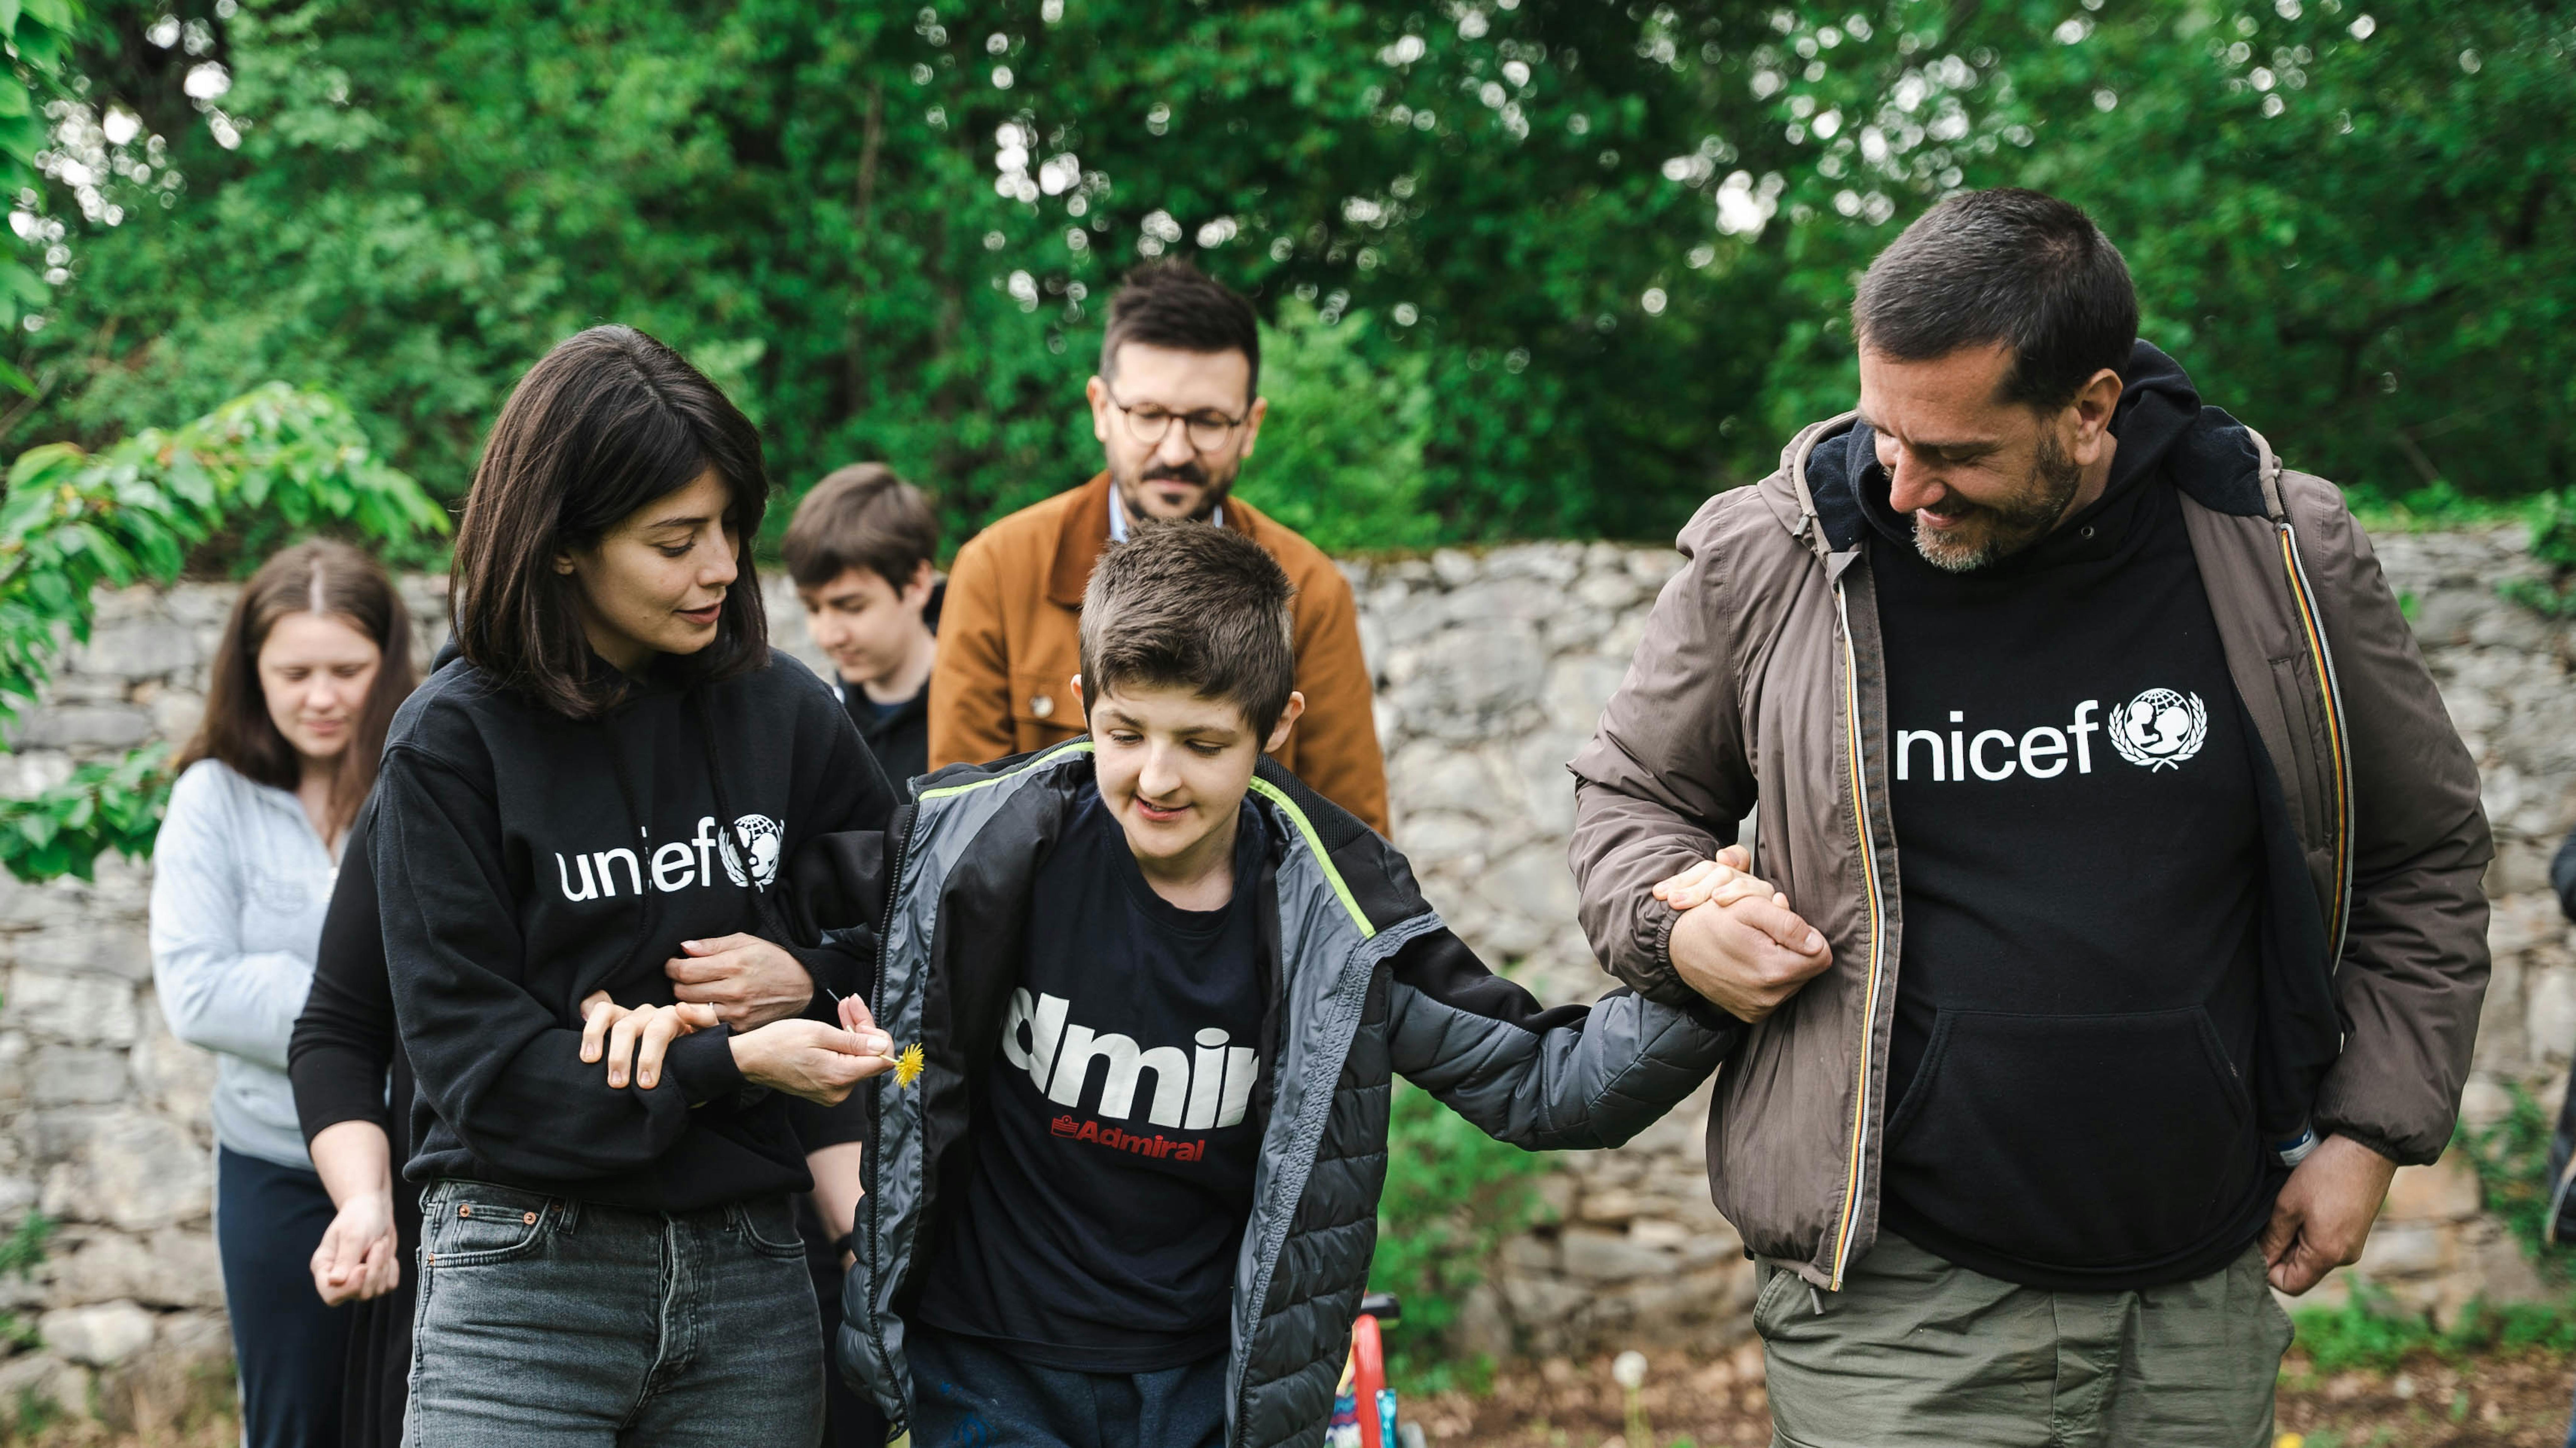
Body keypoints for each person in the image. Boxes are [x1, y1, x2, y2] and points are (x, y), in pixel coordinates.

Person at [1567, 189, 2491, 1447]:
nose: (1900, 487)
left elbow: (2420, 850)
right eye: (1883, 433)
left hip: (2194, 1297)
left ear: (2089, 410)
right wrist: (1677, 930)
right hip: (1893, 1304)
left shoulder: (2276, 545)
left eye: (1951, 454)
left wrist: (2370, 1129)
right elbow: (1629, 803)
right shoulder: (1771, 553)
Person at [768, 522, 1737, 1446]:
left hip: (1205, 1386)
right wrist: (787, 976)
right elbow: (803, 903)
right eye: (1125, 731)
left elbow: (1540, 1080)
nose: (1155, 777)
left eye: (1202, 742)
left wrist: (1708, 983)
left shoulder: (1339, 916)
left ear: (1277, 727)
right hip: (983, 1365)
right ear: (1082, 698)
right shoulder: (977, 842)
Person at [374, 324, 903, 1445]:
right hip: (523, 1278)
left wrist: (799, 975)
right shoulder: (450, 745)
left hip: (752, 1270)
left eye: (729, 528)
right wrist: (726, 1059)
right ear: (563, 542)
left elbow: (907, 940)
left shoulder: (788, 714)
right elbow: (478, 1065)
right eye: (676, 539)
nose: (721, 566)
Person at [927, 259, 1391, 835]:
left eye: (1207, 421)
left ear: (1251, 425)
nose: (1174, 450)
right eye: (1148, 414)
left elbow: (1350, 842)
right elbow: (962, 829)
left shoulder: (1311, 590)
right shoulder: (997, 571)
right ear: (1101, 408)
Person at [149, 539, 418, 1448]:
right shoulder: (211, 798)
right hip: (276, 1168)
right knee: (295, 1421)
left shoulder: (424, 785)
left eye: (348, 668)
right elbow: (195, 990)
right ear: (250, 670)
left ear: (390, 663)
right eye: (294, 670)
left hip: (429, 1170)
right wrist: (354, 1010)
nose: (322, 695)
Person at [784, 462, 943, 788]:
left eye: (852, 607)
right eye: (813, 608)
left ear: (916, 584)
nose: (828, 636)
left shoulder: (980, 712)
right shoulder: (818, 724)